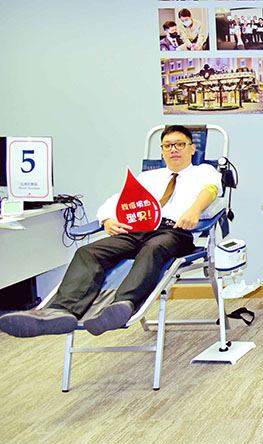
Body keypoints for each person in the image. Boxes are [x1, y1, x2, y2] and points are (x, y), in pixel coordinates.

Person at [0, 126, 222, 338]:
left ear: (192, 148)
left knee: (153, 249)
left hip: (174, 231)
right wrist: (107, 219)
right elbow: (116, 200)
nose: (173, 149)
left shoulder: (203, 172)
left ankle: (121, 306)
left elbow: (211, 190)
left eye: (180, 144)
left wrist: (194, 210)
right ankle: (60, 311)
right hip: (136, 229)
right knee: (88, 252)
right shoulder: (148, 177)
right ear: (162, 151)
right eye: (167, 145)